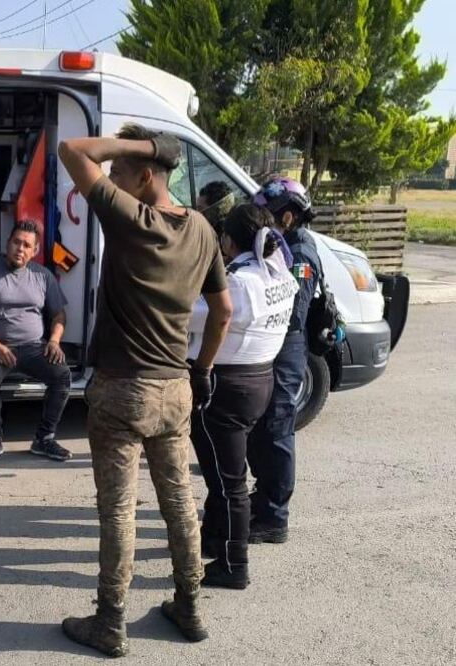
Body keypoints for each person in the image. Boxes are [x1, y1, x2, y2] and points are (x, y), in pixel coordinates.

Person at [57, 124, 232, 656]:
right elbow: (222, 310)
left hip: (122, 389)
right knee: (179, 500)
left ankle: (110, 621)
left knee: (119, 511)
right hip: (175, 386)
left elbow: (72, 151)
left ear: (145, 173)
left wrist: (146, 144)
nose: (110, 178)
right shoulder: (201, 227)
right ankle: (189, 605)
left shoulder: (131, 219)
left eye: (121, 172)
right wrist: (201, 369)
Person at [187, 204, 298, 590]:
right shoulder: (280, 272)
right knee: (226, 474)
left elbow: (190, 315)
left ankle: (235, 564)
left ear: (229, 241)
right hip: (259, 379)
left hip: (225, 386)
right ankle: (215, 538)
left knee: (229, 481)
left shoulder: (240, 282)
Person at [247, 176, 321, 545]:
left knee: (277, 430)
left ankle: (274, 518)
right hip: (272, 344)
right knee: (260, 429)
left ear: (287, 217)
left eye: (268, 213)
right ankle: (262, 499)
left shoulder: (301, 252)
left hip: (286, 347)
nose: (264, 220)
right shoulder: (282, 244)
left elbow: (293, 312)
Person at [0, 220, 73, 465]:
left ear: (34, 251)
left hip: (35, 347)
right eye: (16, 242)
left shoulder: (43, 277)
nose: (20, 249)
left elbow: (59, 315)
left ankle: (44, 439)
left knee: (63, 376)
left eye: (26, 245)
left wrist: (54, 341)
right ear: (7, 243)